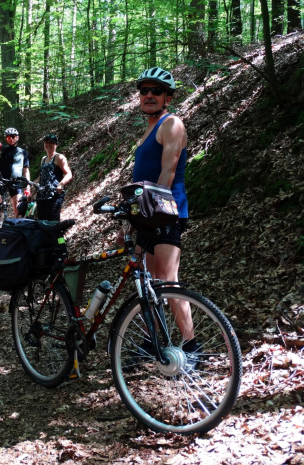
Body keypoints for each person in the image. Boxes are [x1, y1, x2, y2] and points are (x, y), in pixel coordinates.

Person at [130, 66, 198, 357]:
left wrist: (149, 212)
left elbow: (167, 173)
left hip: (167, 213)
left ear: (167, 97)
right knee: (145, 281)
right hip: (147, 213)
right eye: (144, 90)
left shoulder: (172, 124)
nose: (148, 95)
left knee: (168, 280)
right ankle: (150, 342)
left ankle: (192, 346)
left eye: (155, 91)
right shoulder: (149, 127)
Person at [0, 125, 30, 239]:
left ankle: (17, 233)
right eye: (8, 137)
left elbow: (26, 170)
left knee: (18, 207)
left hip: (16, 182)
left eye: (13, 137)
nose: (10, 139)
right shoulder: (4, 149)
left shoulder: (23, 152)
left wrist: (27, 185)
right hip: (2, 180)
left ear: (17, 137)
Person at [35, 134, 72, 221]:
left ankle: (57, 235)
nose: (48, 144)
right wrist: (33, 191)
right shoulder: (43, 159)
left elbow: (69, 174)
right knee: (42, 223)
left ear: (56, 145)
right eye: (46, 142)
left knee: (53, 222)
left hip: (54, 195)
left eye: (51, 142)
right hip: (42, 195)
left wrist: (61, 184)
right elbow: (42, 176)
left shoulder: (59, 157)